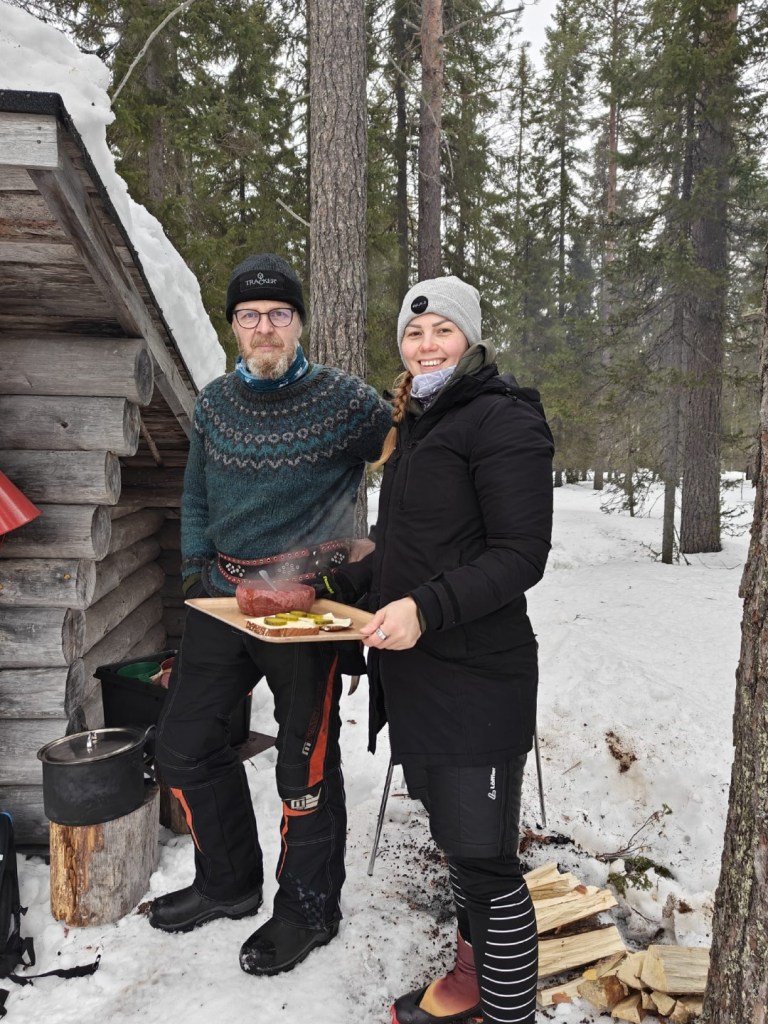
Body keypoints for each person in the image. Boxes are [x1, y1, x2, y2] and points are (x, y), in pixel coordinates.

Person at [150, 254, 392, 978]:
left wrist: (359, 569)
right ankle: (228, 883)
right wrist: (196, 574)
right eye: (251, 316)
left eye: (279, 314)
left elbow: (409, 453)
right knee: (184, 745)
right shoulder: (216, 404)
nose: (265, 328)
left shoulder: (347, 403)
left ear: (298, 323)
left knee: (304, 761)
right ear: (233, 327)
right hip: (223, 599)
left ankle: (309, 906)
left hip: (308, 606)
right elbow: (196, 495)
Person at [319, 277, 553, 1024]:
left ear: (471, 338)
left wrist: (424, 607)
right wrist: (341, 580)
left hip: (478, 676)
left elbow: (521, 554)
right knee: (460, 847)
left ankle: (508, 1011)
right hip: (420, 674)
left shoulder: (501, 420)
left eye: (442, 332)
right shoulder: (421, 423)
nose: (426, 346)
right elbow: (412, 545)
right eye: (414, 335)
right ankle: (469, 983)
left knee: (487, 862)